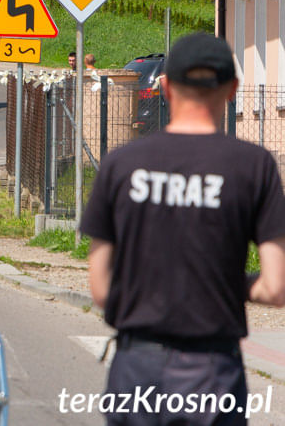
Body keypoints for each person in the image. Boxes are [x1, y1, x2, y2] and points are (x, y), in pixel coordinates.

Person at [82, 33, 285, 426]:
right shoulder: (255, 166)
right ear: (232, 90)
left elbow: (101, 288)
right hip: (211, 371)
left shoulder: (121, 164)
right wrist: (224, 283)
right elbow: (276, 288)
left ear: (165, 86)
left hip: (136, 367)